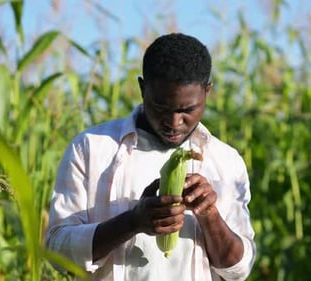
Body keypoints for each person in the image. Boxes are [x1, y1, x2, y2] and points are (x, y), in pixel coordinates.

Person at [45, 33, 256, 281]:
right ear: (143, 88)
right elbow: (57, 251)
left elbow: (238, 270)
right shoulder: (91, 149)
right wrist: (133, 222)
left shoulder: (226, 161)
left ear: (206, 92)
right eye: (161, 108)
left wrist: (209, 214)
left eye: (187, 110)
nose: (174, 123)